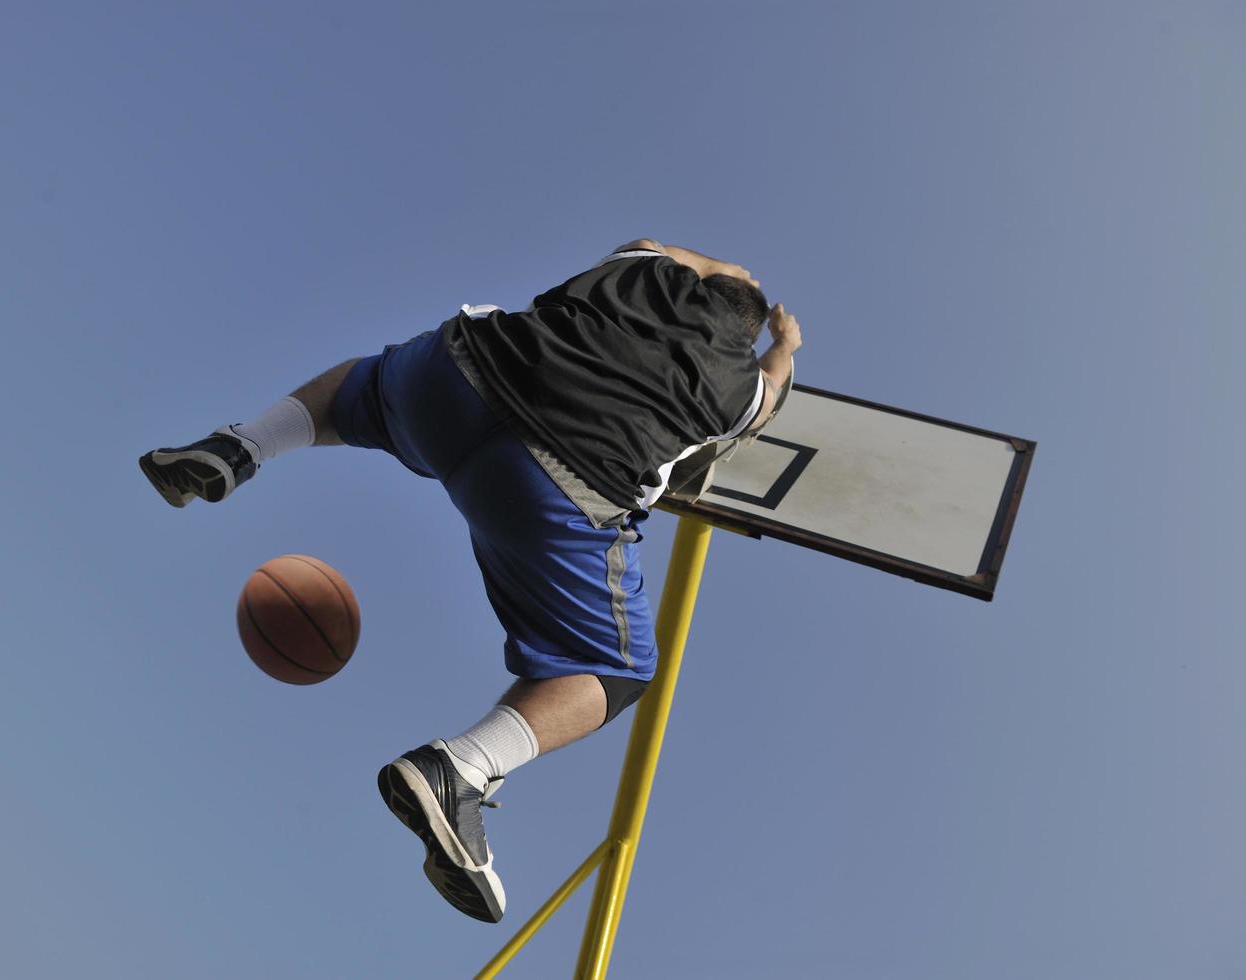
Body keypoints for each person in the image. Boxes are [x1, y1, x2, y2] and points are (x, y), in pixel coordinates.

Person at [138, 240, 802, 923]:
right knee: (616, 668)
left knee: (359, 387)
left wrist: (719, 266)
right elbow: (774, 386)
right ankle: (462, 767)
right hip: (560, 477)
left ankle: (243, 444)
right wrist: (784, 341)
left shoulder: (641, 272)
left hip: (455, 380)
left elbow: (659, 246)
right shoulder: (740, 385)